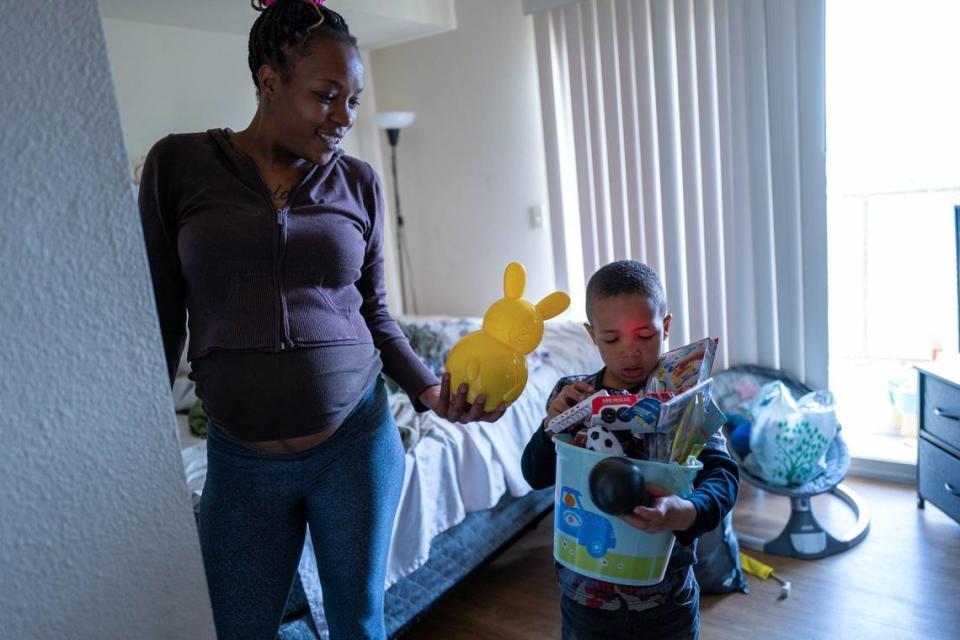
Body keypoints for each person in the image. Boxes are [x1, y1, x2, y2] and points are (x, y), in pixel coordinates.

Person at [138, 1, 504, 637]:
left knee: (358, 623)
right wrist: (135, 440)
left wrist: (427, 390)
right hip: (241, 459)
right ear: (269, 80)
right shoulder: (177, 166)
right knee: (237, 627)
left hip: (355, 444)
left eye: (353, 101)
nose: (343, 118)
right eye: (326, 96)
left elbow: (376, 314)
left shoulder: (358, 181)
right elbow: (161, 314)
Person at [521, 260, 739, 640]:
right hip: (585, 600)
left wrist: (685, 512)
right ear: (592, 335)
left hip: (666, 602)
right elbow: (535, 475)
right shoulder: (572, 395)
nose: (630, 353)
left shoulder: (688, 400)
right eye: (612, 338)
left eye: (645, 335)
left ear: (666, 326)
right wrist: (549, 428)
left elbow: (722, 476)